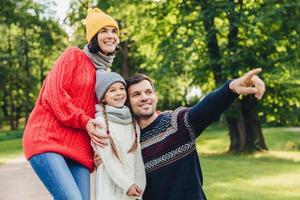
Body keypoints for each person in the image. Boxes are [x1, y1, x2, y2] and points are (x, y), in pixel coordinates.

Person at [122, 68, 264, 200]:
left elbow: (205, 109)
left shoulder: (176, 123)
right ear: (128, 102)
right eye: (136, 94)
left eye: (148, 92)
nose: (144, 97)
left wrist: (231, 88)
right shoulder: (128, 142)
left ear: (156, 97)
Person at [22, 7, 119, 200]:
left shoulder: (106, 75)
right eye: (104, 31)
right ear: (93, 37)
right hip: (47, 139)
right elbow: (53, 94)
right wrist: (84, 121)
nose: (110, 36)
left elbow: (108, 114)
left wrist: (102, 150)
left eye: (114, 31)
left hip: (79, 148)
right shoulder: (74, 56)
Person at [93, 71, 146, 200]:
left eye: (122, 88)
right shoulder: (100, 123)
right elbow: (109, 160)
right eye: (112, 90)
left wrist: (140, 186)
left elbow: (138, 157)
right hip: (109, 191)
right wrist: (127, 185)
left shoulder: (133, 122)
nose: (119, 93)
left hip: (132, 191)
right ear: (103, 98)